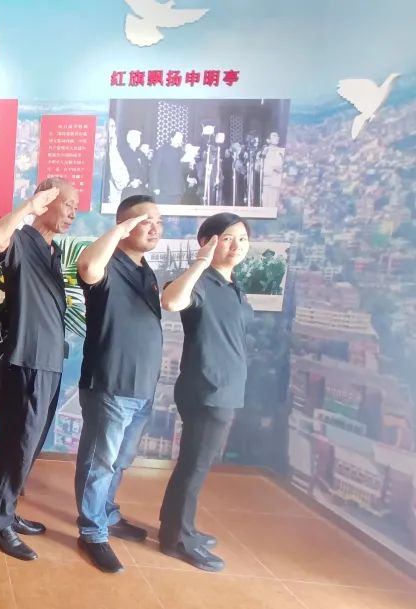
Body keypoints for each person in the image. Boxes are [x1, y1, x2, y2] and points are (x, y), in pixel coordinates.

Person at [0, 178, 76, 561]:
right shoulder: (21, 240)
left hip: (50, 362)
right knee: (17, 444)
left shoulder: (53, 251)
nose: (72, 212)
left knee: (30, 445)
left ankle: (8, 511)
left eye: (75, 206)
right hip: (27, 360)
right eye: (67, 204)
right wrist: (28, 206)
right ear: (46, 201)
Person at [158, 212, 253, 572]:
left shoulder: (232, 286)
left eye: (242, 239)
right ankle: (177, 539)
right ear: (207, 242)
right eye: (227, 238)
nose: (236, 246)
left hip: (226, 388)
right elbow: (171, 302)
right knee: (194, 466)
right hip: (207, 388)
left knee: (195, 464)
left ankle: (177, 526)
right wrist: (199, 262)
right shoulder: (200, 281)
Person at [73, 194, 163, 573]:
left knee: (120, 461)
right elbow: (87, 266)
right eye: (146, 221)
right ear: (124, 226)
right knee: (100, 461)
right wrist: (121, 228)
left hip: (142, 386)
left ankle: (106, 514)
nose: (155, 228)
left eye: (158, 221)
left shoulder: (146, 271)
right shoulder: (107, 264)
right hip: (110, 383)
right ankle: (92, 532)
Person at [150, 131, 187, 205]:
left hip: (178, 190)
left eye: (181, 138)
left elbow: (184, 171)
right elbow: (154, 169)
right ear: (171, 138)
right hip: (164, 189)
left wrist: (189, 163)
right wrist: (155, 186)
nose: (180, 140)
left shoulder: (181, 152)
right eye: (178, 137)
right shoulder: (162, 150)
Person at [259, 131, 284, 208]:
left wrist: (275, 168)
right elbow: (257, 167)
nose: (277, 138)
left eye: (277, 136)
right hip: (266, 184)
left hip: (277, 184)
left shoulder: (282, 151)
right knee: (266, 206)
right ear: (268, 140)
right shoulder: (263, 152)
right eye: (274, 136)